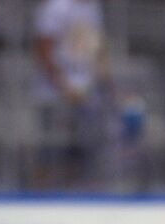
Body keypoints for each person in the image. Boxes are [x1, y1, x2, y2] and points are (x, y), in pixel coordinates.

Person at [33, 0, 109, 188]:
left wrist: (99, 82)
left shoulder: (94, 8)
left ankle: (80, 198)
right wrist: (64, 85)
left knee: (84, 154)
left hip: (86, 94)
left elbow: (98, 49)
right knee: (51, 151)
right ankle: (43, 198)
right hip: (54, 94)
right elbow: (44, 49)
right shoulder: (56, 7)